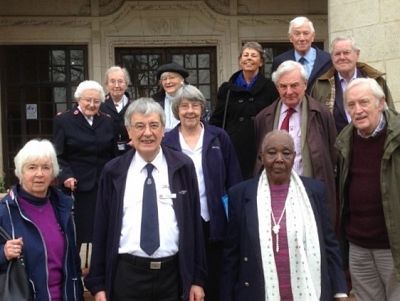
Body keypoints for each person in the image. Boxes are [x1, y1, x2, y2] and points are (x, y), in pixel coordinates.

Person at [85, 98, 207, 301]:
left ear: (163, 130)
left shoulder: (183, 167)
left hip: (172, 276)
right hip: (127, 275)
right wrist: (98, 284)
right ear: (129, 131)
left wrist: (197, 279)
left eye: (154, 125)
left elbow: (194, 225)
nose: (147, 133)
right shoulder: (113, 171)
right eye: (139, 126)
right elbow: (101, 228)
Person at [220, 130, 347, 301]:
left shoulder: (315, 191)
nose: (279, 158)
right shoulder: (240, 194)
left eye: (286, 153)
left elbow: (330, 244)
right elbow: (232, 254)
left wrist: (340, 290)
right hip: (257, 292)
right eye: (272, 153)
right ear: (261, 157)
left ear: (294, 157)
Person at [163, 84, 242, 300]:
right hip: (180, 220)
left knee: (216, 280)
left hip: (213, 220)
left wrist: (236, 216)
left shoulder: (219, 137)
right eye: (184, 106)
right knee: (185, 281)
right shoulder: (167, 141)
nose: (190, 110)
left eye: (195, 105)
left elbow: (233, 178)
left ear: (202, 109)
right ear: (177, 110)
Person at [336, 78, 400, 301]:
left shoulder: (397, 136)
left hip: (393, 246)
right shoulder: (345, 139)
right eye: (351, 105)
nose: (358, 110)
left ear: (381, 103)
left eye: (364, 102)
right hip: (359, 246)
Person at [254, 60, 337, 225]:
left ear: (305, 85)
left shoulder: (321, 114)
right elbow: (259, 158)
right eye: (283, 86)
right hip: (274, 193)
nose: (289, 91)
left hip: (311, 191)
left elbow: (333, 155)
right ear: (277, 88)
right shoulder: (263, 117)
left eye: (294, 85)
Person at [0, 139, 83, 301]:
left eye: (46, 167)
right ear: (20, 172)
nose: (39, 174)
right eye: (32, 167)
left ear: (53, 173)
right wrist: (3, 253)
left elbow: (74, 262)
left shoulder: (64, 207)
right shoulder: (5, 211)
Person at [53, 80, 116, 248]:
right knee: (82, 231)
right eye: (88, 100)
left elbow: (113, 153)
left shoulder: (107, 121)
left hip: (104, 182)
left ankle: (100, 264)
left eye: (96, 101)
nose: (92, 104)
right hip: (78, 184)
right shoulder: (64, 120)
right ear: (78, 99)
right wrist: (66, 176)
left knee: (104, 227)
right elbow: (58, 155)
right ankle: (80, 266)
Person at [209, 41, 278, 180]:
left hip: (260, 146)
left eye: (254, 55)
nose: (249, 58)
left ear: (261, 62)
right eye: (245, 55)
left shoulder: (270, 88)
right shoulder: (227, 89)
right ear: (240, 61)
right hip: (233, 146)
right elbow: (217, 119)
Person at [311, 36, 394, 134]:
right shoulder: (320, 85)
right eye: (337, 54)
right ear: (332, 57)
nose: (342, 57)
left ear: (357, 54)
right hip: (337, 147)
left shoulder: (376, 81)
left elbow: (391, 115)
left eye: (346, 53)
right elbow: (315, 123)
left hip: (375, 144)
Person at [272, 16, 332, 93]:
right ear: (290, 38)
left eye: (306, 33)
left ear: (313, 36)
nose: (302, 38)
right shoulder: (280, 61)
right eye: (297, 34)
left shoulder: (328, 60)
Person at [100, 66, 132, 155]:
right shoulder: (99, 106)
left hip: (129, 153)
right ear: (106, 85)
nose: (117, 85)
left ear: (126, 84)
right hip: (106, 155)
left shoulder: (134, 106)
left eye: (120, 81)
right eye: (112, 81)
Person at [152, 62, 189, 131]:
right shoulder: (153, 102)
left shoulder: (193, 99)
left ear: (182, 80)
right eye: (164, 79)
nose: (168, 82)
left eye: (172, 78)